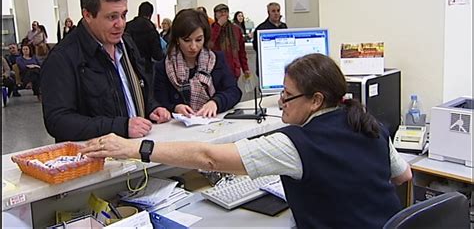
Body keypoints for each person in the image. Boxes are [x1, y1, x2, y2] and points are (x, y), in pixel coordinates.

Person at [82, 53, 412, 228]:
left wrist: (133, 148)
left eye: (288, 95)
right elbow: (403, 177)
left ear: (315, 100)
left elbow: (208, 158)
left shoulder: (296, 143)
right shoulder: (368, 124)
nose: (281, 101)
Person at [40, 0, 171, 142]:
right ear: (87, 15)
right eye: (112, 17)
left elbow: (136, 86)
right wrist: (120, 127)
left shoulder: (126, 43)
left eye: (124, 15)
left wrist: (151, 106)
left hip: (135, 149)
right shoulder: (62, 58)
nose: (121, 24)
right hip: (95, 157)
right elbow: (58, 121)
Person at [154, 9, 241, 118]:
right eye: (187, 40)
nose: (193, 47)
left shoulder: (216, 60)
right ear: (177, 39)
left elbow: (234, 91)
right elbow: (158, 101)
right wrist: (174, 108)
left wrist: (215, 102)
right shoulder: (163, 67)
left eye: (199, 40)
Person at [210, 4, 251, 80]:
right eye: (220, 12)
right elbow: (209, 44)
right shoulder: (211, 29)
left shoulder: (235, 29)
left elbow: (241, 51)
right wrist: (218, 26)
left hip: (233, 70)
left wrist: (245, 68)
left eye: (225, 12)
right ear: (215, 15)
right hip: (217, 71)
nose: (223, 14)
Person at [125, 1, 164, 74]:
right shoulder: (151, 30)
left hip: (129, 67)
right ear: (150, 14)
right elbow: (157, 55)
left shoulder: (127, 27)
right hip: (146, 68)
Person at [252, 2, 288, 75]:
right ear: (268, 13)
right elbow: (256, 47)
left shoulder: (283, 27)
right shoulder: (261, 29)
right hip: (267, 65)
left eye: (278, 10)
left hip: (281, 63)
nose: (276, 13)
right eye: (273, 11)